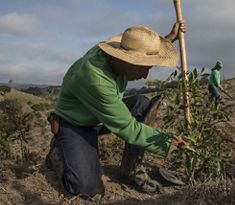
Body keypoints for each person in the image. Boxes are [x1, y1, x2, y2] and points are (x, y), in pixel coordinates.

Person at [45, 22, 188, 198]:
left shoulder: (115, 54)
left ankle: (130, 168)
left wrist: (169, 38)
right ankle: (58, 152)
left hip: (99, 115)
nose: (145, 75)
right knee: (86, 188)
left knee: (141, 103)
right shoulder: (95, 77)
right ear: (124, 59)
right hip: (76, 123)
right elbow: (127, 128)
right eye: (143, 67)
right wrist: (167, 142)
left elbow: (141, 50)